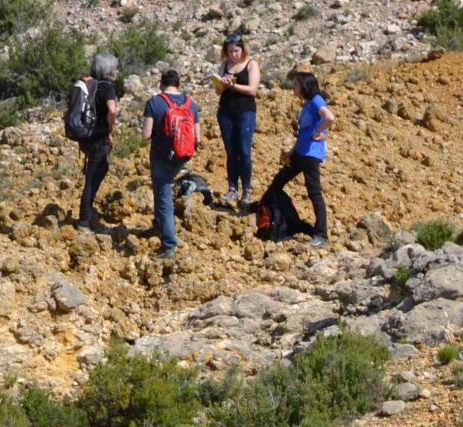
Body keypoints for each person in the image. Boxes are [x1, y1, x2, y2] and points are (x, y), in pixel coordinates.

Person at [261, 66, 332, 247]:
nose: (293, 88)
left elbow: (330, 118)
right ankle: (286, 220)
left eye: (296, 85)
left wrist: (319, 131)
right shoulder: (307, 104)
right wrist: (291, 152)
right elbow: (303, 133)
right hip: (300, 153)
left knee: (314, 193)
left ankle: (321, 235)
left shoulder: (316, 100)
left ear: (305, 86)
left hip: (311, 155)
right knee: (277, 184)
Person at [141, 69, 200, 259]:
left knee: (164, 195)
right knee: (162, 190)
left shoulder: (154, 102)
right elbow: (197, 136)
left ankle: (168, 246)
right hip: (183, 155)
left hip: (161, 156)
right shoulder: (191, 104)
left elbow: (146, 135)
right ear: (178, 84)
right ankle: (159, 226)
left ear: (161, 84)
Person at [209, 33, 259, 209]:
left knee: (244, 150)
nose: (233, 55)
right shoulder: (225, 65)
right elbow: (217, 92)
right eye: (230, 51)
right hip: (226, 111)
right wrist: (221, 83)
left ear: (242, 49)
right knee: (230, 151)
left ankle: (246, 189)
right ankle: (232, 187)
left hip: (245, 111)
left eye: (236, 51)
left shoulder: (251, 64)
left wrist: (233, 85)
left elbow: (253, 89)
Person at [74, 53, 119, 229]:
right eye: (115, 68)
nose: (117, 71)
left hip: (86, 137)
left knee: (95, 172)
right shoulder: (107, 87)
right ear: (108, 70)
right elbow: (112, 110)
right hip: (99, 137)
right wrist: (110, 126)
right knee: (92, 179)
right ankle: (84, 219)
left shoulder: (91, 85)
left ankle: (87, 212)